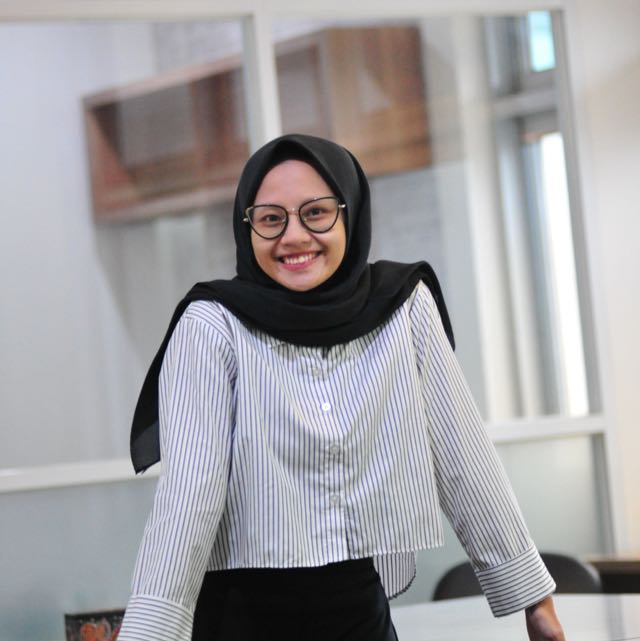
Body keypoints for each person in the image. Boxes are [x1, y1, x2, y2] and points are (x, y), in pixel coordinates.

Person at [117, 134, 566, 641]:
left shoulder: (405, 308)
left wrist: (534, 599)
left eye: (316, 213)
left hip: (359, 611)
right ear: (247, 227)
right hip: (238, 617)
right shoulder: (212, 325)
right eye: (271, 219)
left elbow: (463, 457)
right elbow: (189, 495)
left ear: (349, 214)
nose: (293, 236)